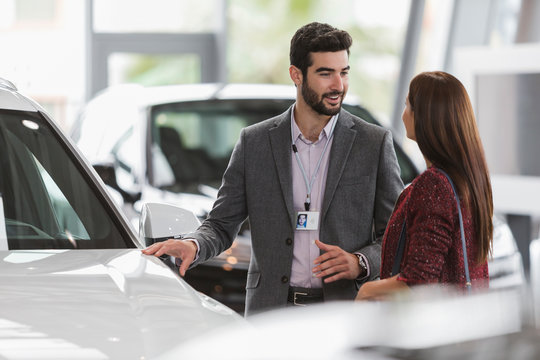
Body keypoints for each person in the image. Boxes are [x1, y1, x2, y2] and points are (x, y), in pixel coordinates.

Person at [143, 22, 404, 316]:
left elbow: (397, 235)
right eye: (325, 73)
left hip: (344, 315)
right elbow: (221, 224)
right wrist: (193, 244)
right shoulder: (255, 142)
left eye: (343, 72)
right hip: (271, 314)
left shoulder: (373, 143)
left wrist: (361, 262)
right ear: (296, 74)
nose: (338, 85)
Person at [356, 71, 493, 301]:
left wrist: (367, 290)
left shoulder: (434, 185)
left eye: (408, 106)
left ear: (426, 117)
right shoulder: (469, 178)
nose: (403, 115)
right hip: (466, 323)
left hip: (432, 330)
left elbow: (418, 282)